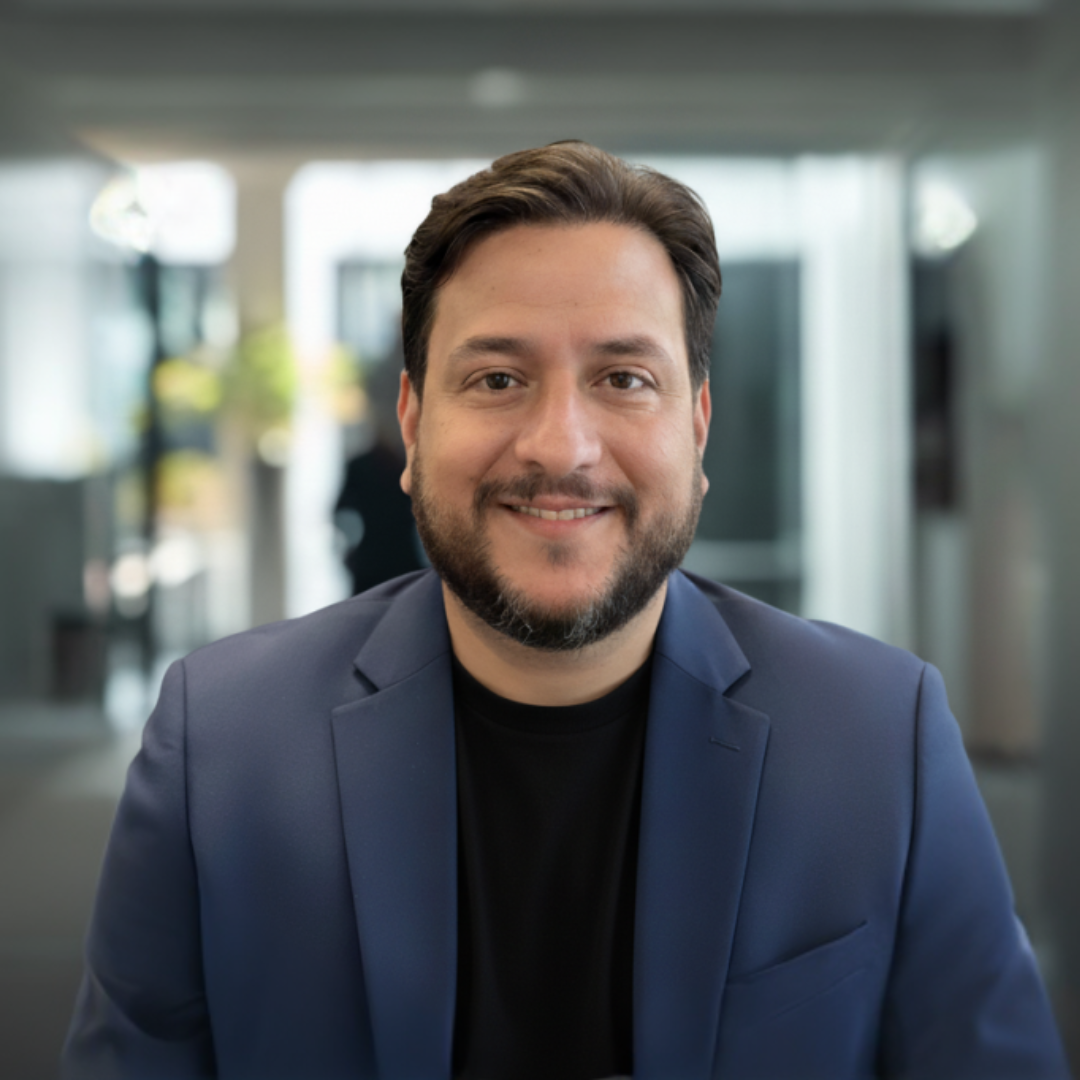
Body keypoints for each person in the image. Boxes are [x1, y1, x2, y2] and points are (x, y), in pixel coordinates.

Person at [63, 142, 1070, 1080]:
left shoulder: (878, 738)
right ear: (412, 424)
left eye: (624, 379)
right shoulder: (221, 743)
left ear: (696, 428)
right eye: (497, 378)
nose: (560, 446)